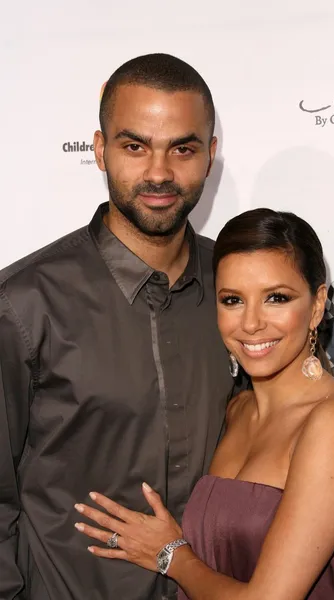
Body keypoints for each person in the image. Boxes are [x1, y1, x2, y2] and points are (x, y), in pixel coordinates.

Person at [0, 53, 236, 600]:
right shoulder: (24, 303)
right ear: (101, 149)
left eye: (183, 147)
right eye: (135, 146)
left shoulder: (238, 290)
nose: (159, 172)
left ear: (210, 155)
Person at [74, 208, 334, 599]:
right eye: (233, 300)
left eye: (276, 298)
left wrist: (171, 556)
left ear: (318, 304)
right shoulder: (236, 412)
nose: (251, 323)